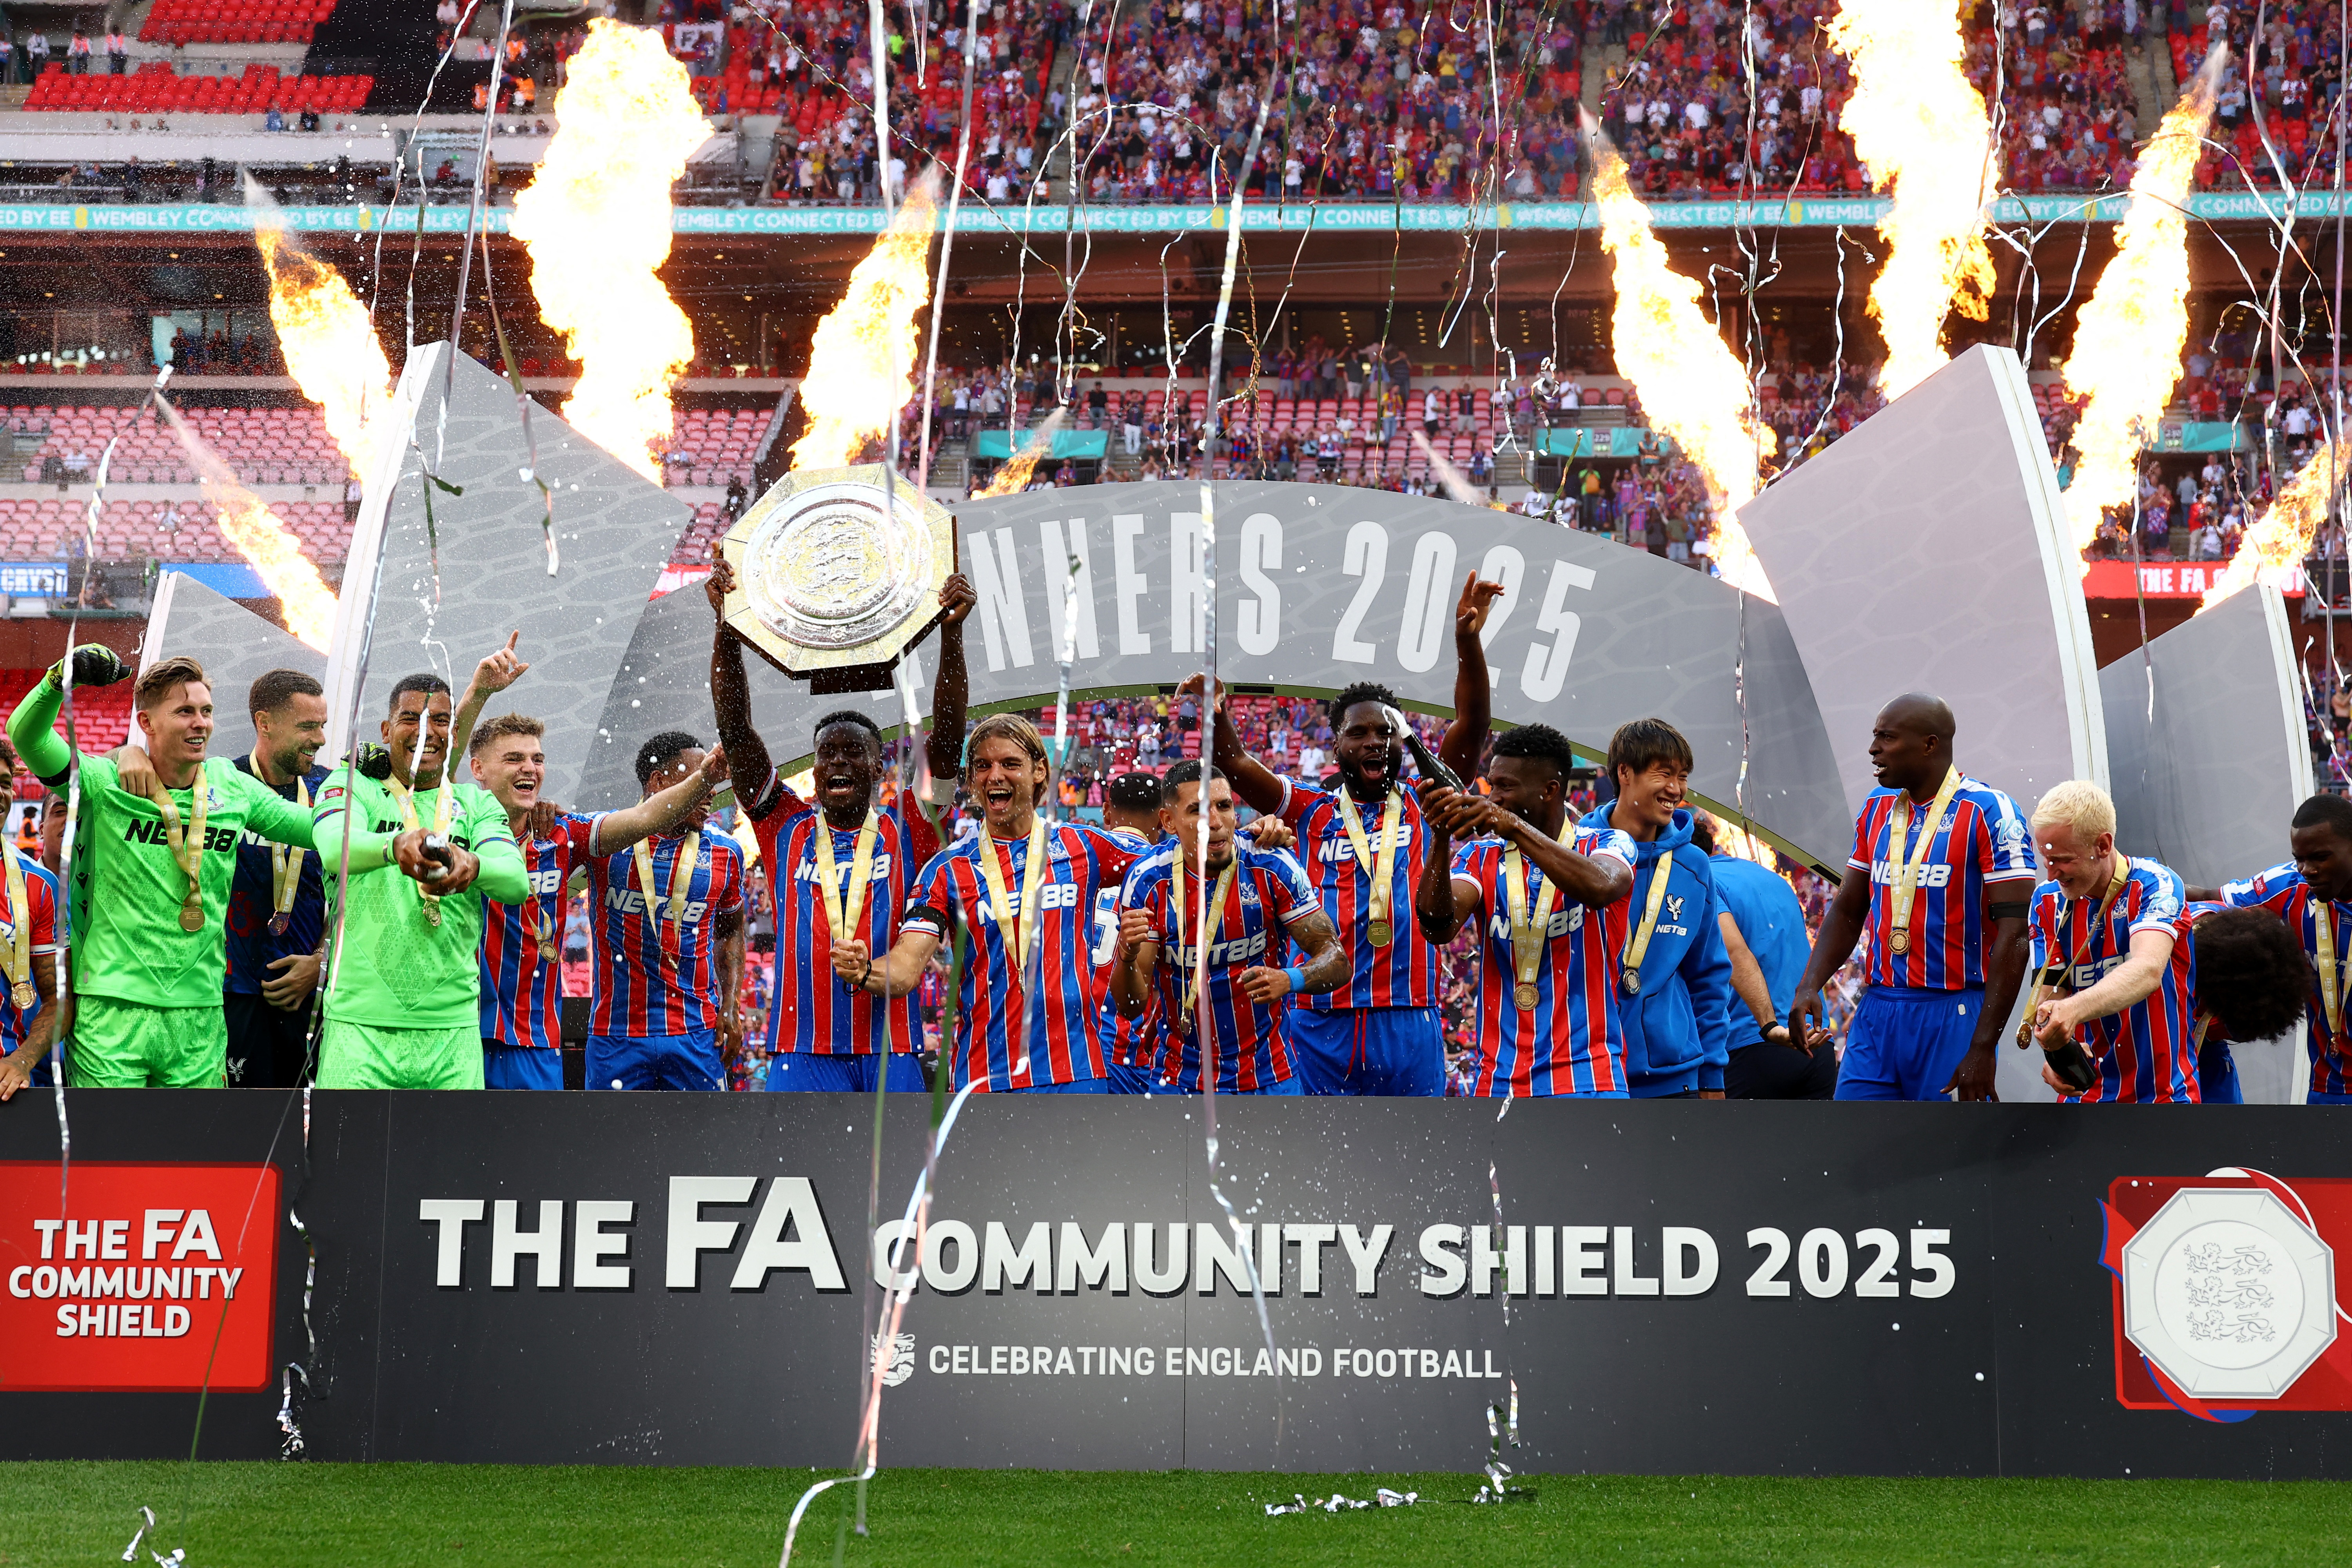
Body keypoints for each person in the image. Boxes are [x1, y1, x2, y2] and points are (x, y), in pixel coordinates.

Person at [1192, 571, 1503, 1095]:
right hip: (1318, 1018)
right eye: (1358, 733)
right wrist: (1217, 711)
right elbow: (1236, 761)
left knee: (1412, 1162)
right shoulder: (1310, 808)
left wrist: (1468, 644)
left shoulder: (1431, 799)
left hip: (1408, 1016)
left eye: (1386, 732)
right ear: (1335, 744)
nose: (1374, 742)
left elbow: (1471, 725)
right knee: (1315, 1163)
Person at [706, 554, 975, 1093]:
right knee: (795, 1178)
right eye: (827, 753)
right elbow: (736, 733)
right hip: (800, 1049)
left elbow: (945, 742)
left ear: (879, 767)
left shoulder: (912, 828)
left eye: (854, 752)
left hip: (891, 1049)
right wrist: (726, 629)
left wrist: (952, 638)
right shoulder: (784, 825)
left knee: (895, 1179)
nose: (839, 763)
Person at [6, 648, 315, 1089]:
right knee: (109, 1155)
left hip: (201, 1015)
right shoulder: (106, 782)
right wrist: (59, 680)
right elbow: (28, 737)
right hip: (112, 1013)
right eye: (185, 711)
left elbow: (315, 829)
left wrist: (384, 828)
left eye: (206, 711)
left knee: (194, 1157)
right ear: (147, 723)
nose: (201, 723)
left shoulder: (233, 787)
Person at [840, 715, 1144, 1093]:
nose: (994, 775)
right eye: (983, 766)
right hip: (984, 1079)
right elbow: (906, 966)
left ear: (1038, 772)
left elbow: (1176, 867)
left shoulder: (1085, 847)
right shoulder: (947, 870)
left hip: (1077, 1073)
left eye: (1010, 764)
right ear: (970, 781)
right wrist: (864, 970)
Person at [1789, 693, 2036, 1100]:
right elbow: (1850, 910)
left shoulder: (1990, 812)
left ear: (1930, 744)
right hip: (1878, 1009)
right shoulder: (1877, 808)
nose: (1873, 749)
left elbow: (2017, 936)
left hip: (1954, 1009)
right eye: (1875, 737)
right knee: (1854, 1151)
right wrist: (1809, 984)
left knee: (1940, 1158)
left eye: (1886, 738)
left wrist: (1982, 1046)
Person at [310, 646, 533, 1090]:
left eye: (440, 721)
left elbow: (515, 881)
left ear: (453, 734)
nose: (426, 731)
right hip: (360, 1027)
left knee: (451, 1162)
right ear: (386, 729)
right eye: (411, 718)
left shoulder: (475, 802)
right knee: (353, 1161)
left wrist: (473, 863)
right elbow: (335, 848)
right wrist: (395, 847)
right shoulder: (354, 785)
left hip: (452, 1032)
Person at [470, 713, 731, 1091]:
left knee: (532, 1149)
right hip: (461, 1028)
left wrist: (705, 777)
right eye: (515, 759)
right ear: (478, 768)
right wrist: (478, 694)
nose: (530, 768)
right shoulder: (456, 829)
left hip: (537, 1038)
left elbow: (645, 816)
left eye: (538, 760)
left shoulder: (563, 834)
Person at [1414, 723, 1638, 1096]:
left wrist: (1514, 827)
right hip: (1498, 1079)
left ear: (1550, 790)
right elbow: (1438, 928)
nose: (1492, 797)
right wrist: (1439, 837)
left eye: (1505, 786)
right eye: (1491, 784)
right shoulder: (1480, 857)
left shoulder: (1606, 841)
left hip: (1588, 1074)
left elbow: (1600, 887)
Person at [1110, 762, 1346, 1094]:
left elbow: (1337, 960)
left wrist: (1290, 979)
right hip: (1179, 1079)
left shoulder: (1271, 864)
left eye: (1224, 806)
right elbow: (1131, 1005)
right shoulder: (1148, 881)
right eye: (1197, 811)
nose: (1216, 823)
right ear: (1168, 822)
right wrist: (1127, 955)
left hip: (1270, 1076)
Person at [2016, 781, 2201, 1103]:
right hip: (2084, 1098)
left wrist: (2072, 1010)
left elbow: (2147, 970)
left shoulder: (2154, 884)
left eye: (2062, 860)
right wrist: (2055, 1048)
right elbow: (2050, 999)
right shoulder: (2046, 901)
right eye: (2046, 860)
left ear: (2103, 845)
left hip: (2163, 1097)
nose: (2051, 874)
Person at [583, 731, 748, 1091]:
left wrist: (732, 1005)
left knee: (703, 1147)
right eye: (699, 779)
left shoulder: (727, 852)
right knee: (611, 1147)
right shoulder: (605, 840)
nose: (710, 792)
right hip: (617, 1035)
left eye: (713, 781)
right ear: (658, 782)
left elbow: (731, 930)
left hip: (696, 1034)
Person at [1578, 719, 1732, 1096]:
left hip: (1672, 1078)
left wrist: (1712, 1075)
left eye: (1682, 777)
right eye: (1664, 774)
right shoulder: (1575, 853)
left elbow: (1708, 976)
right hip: (1587, 1072)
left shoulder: (1694, 865)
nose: (1676, 789)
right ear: (1625, 773)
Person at [2203, 792, 2352, 1103]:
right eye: (2300, 858)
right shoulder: (2289, 886)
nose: (2306, 869)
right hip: (2331, 1088)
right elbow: (2208, 896)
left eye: (2321, 857)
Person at [223, 669, 330, 1089]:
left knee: (312, 1132)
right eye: (308, 726)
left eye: (321, 725)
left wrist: (320, 963)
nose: (320, 738)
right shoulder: (222, 785)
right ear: (264, 723)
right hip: (234, 992)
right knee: (244, 1133)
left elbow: (355, 893)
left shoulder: (333, 790)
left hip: (310, 995)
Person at [1696, 813, 1836, 1100]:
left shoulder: (1701, 882)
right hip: (1815, 1043)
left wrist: (1770, 1026)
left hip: (1754, 1046)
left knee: (1736, 1145)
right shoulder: (1768, 877)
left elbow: (1734, 953)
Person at [1096, 769, 1169, 1093]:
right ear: (1163, 819)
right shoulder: (1168, 875)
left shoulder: (1075, 862)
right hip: (1127, 1050)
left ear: (1107, 812)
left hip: (1071, 1047)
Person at [0, 820, 64, 1102]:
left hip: (5, 1076)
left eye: (5, 783)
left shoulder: (38, 883)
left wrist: (22, 1061)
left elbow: (58, 1001)